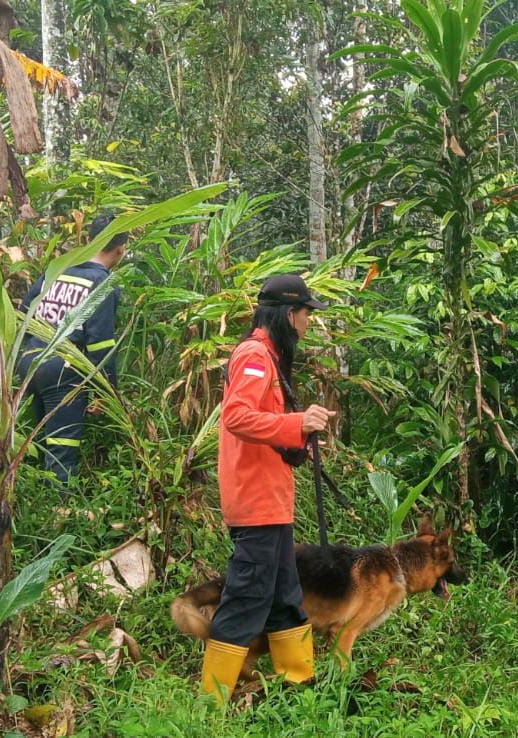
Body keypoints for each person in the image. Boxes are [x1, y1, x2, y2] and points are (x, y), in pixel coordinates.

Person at [200, 274, 336, 702]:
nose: (308, 324)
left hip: (272, 502)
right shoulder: (255, 355)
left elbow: (267, 424)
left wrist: (298, 439)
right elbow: (237, 418)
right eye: (306, 314)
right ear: (288, 314)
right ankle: (213, 698)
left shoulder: (270, 357)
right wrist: (298, 423)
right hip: (256, 502)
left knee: (285, 597)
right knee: (246, 597)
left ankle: (298, 683)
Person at [18, 213, 126, 487]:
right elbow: (101, 345)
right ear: (121, 250)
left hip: (28, 362)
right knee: (61, 446)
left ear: (90, 239)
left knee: (36, 439)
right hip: (63, 372)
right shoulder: (102, 284)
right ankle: (57, 511)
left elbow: (22, 315)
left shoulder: (58, 269)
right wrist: (108, 391)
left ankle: (29, 502)